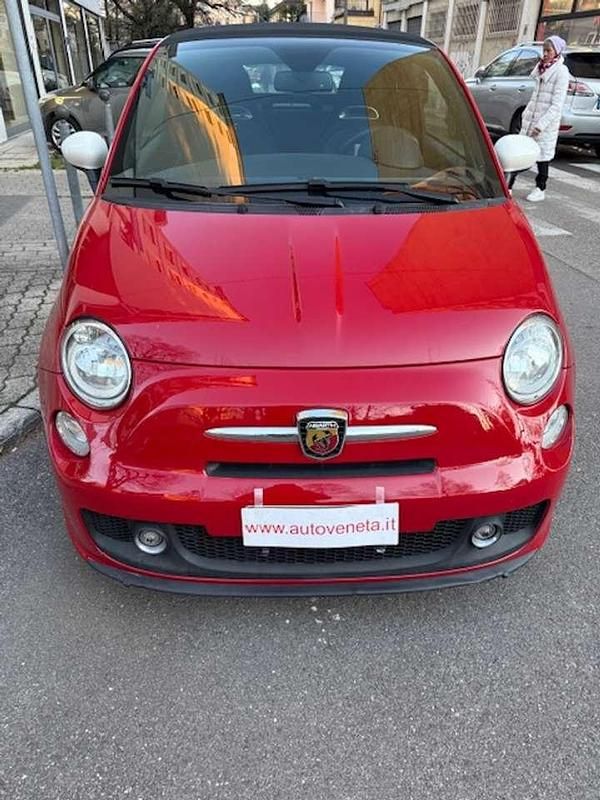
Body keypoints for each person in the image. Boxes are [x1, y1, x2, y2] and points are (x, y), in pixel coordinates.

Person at [508, 36, 570, 202]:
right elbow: (535, 97)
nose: (545, 54)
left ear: (557, 51)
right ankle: (508, 186)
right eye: (544, 50)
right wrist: (526, 115)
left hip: (545, 124)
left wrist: (541, 125)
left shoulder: (561, 73)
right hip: (530, 121)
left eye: (549, 51)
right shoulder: (541, 69)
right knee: (520, 155)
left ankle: (540, 188)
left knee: (542, 158)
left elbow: (557, 105)